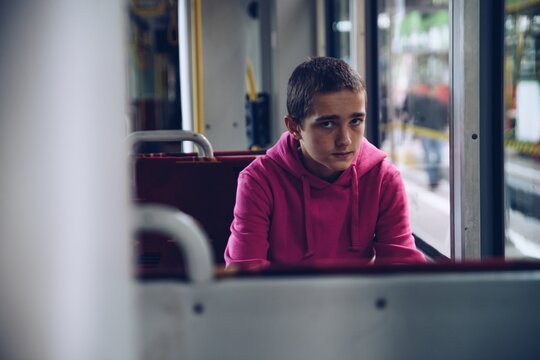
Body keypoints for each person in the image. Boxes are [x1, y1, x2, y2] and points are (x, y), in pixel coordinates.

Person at [225, 57, 425, 270]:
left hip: (358, 302)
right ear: (294, 127)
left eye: (355, 121)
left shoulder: (383, 178)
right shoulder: (259, 181)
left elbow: (403, 270)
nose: (345, 140)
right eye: (328, 124)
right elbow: (245, 275)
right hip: (281, 302)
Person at [402, 84, 448, 190]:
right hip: (425, 133)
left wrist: (442, 128)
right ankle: (432, 180)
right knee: (427, 156)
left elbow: (445, 117)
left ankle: (436, 178)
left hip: (438, 133)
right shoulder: (421, 103)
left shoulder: (440, 104)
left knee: (439, 156)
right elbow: (416, 115)